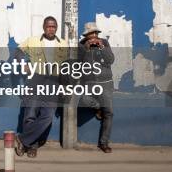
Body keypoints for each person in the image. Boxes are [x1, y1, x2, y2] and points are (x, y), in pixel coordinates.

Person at [14, 16, 68, 158]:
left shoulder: (63, 43)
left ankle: (23, 140)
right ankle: (32, 146)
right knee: (30, 114)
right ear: (44, 27)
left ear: (56, 28)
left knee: (47, 116)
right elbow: (18, 52)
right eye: (49, 26)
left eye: (54, 26)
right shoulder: (32, 40)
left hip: (54, 82)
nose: (51, 29)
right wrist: (23, 63)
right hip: (35, 78)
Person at [78, 22, 115, 153]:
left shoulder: (104, 42)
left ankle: (104, 143)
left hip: (106, 82)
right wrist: (86, 50)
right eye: (90, 34)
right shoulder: (81, 46)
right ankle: (98, 108)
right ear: (86, 36)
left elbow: (110, 60)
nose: (93, 36)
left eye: (95, 33)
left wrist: (102, 48)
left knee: (109, 112)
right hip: (89, 83)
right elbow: (78, 64)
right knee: (84, 100)